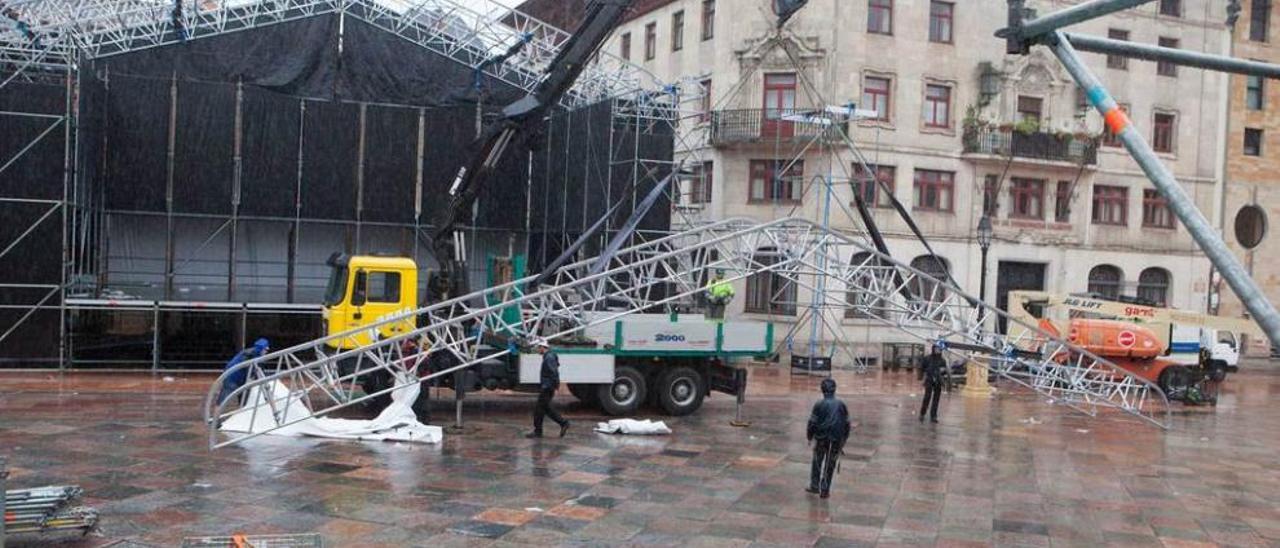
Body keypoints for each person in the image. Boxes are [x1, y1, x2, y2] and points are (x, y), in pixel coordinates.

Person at [806, 378, 850, 499]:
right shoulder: (841, 405)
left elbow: (812, 423)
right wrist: (843, 440)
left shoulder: (819, 404)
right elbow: (847, 424)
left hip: (822, 437)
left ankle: (815, 486)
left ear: (822, 390)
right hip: (835, 439)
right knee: (829, 465)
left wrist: (809, 436)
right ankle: (824, 489)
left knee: (817, 461)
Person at [527, 338, 570, 439]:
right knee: (545, 409)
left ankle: (541, 430)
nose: (538, 350)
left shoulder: (548, 358)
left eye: (538, 348)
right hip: (548, 386)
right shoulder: (549, 356)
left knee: (539, 409)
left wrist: (555, 385)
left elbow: (554, 372)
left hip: (547, 387)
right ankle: (562, 423)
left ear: (542, 347)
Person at [217, 338, 270, 404]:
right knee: (224, 399)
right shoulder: (250, 355)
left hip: (238, 377)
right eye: (265, 349)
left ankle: (241, 409)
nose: (266, 351)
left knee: (243, 397)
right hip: (232, 377)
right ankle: (216, 414)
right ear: (262, 348)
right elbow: (252, 370)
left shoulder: (253, 353)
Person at [919, 342, 948, 423]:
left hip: (938, 381)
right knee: (927, 397)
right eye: (936, 348)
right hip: (929, 380)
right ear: (933, 349)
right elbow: (922, 367)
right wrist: (921, 378)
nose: (937, 350)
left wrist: (942, 372)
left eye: (939, 349)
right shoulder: (927, 358)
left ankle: (933, 416)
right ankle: (922, 413)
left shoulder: (942, 360)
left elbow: (944, 371)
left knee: (936, 399)